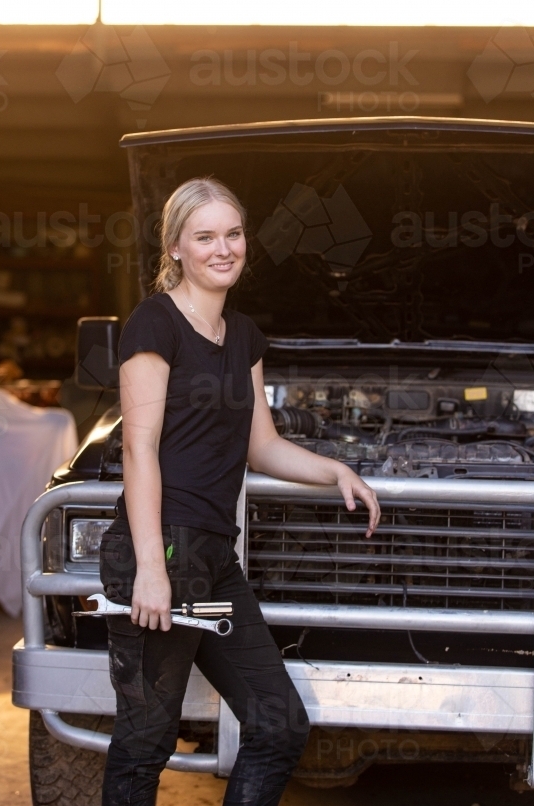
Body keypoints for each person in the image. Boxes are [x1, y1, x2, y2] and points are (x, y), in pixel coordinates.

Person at [100, 177, 380, 806]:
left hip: (213, 561)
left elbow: (262, 444)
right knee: (147, 742)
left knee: (278, 724)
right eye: (205, 237)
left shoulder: (244, 334)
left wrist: (334, 470)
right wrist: (150, 568)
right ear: (175, 247)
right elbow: (139, 449)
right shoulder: (155, 323)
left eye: (232, 234)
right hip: (162, 550)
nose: (223, 249)